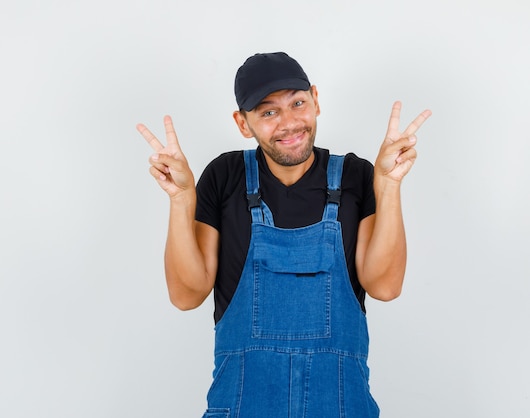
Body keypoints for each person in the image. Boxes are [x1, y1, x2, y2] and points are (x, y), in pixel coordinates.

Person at [137, 51, 431, 418]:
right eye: (268, 112)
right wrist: (181, 199)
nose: (290, 123)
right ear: (243, 124)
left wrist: (387, 185)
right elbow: (186, 295)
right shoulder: (225, 177)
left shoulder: (357, 176)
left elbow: (385, 287)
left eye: (297, 103)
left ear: (316, 101)